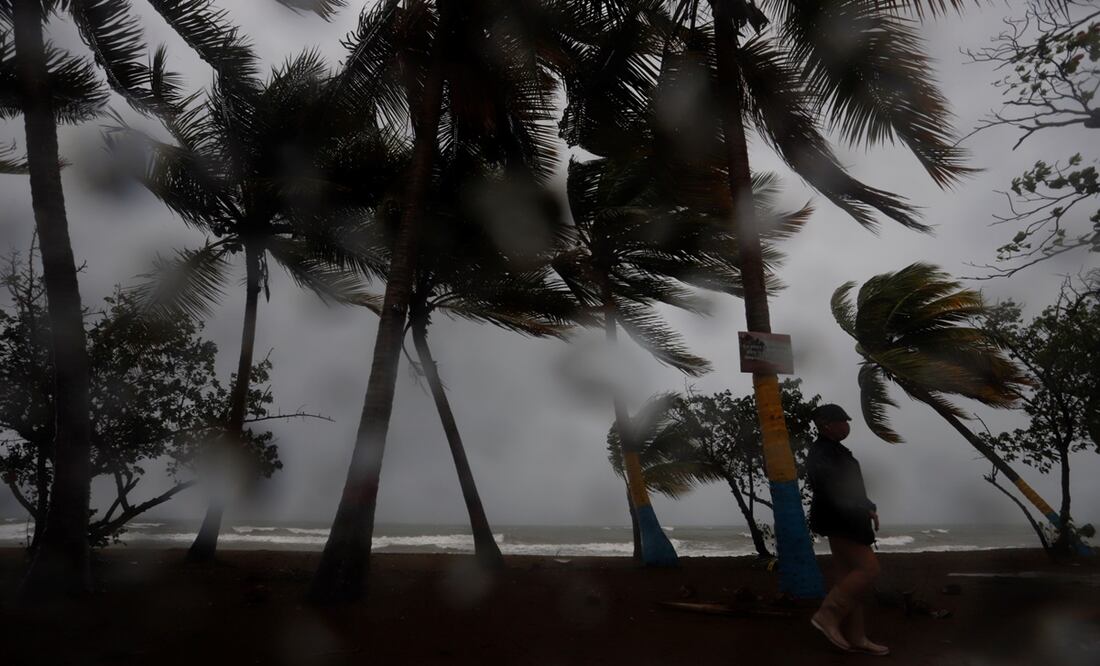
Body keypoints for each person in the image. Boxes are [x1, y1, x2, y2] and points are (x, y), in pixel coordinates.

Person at [806, 403, 889, 656]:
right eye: (843, 421)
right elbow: (832, 489)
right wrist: (859, 508)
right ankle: (827, 615)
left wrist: (867, 506)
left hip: (847, 519)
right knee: (869, 569)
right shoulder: (822, 452)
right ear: (827, 425)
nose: (847, 425)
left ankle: (857, 637)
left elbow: (850, 487)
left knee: (849, 579)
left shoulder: (835, 450)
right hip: (841, 521)